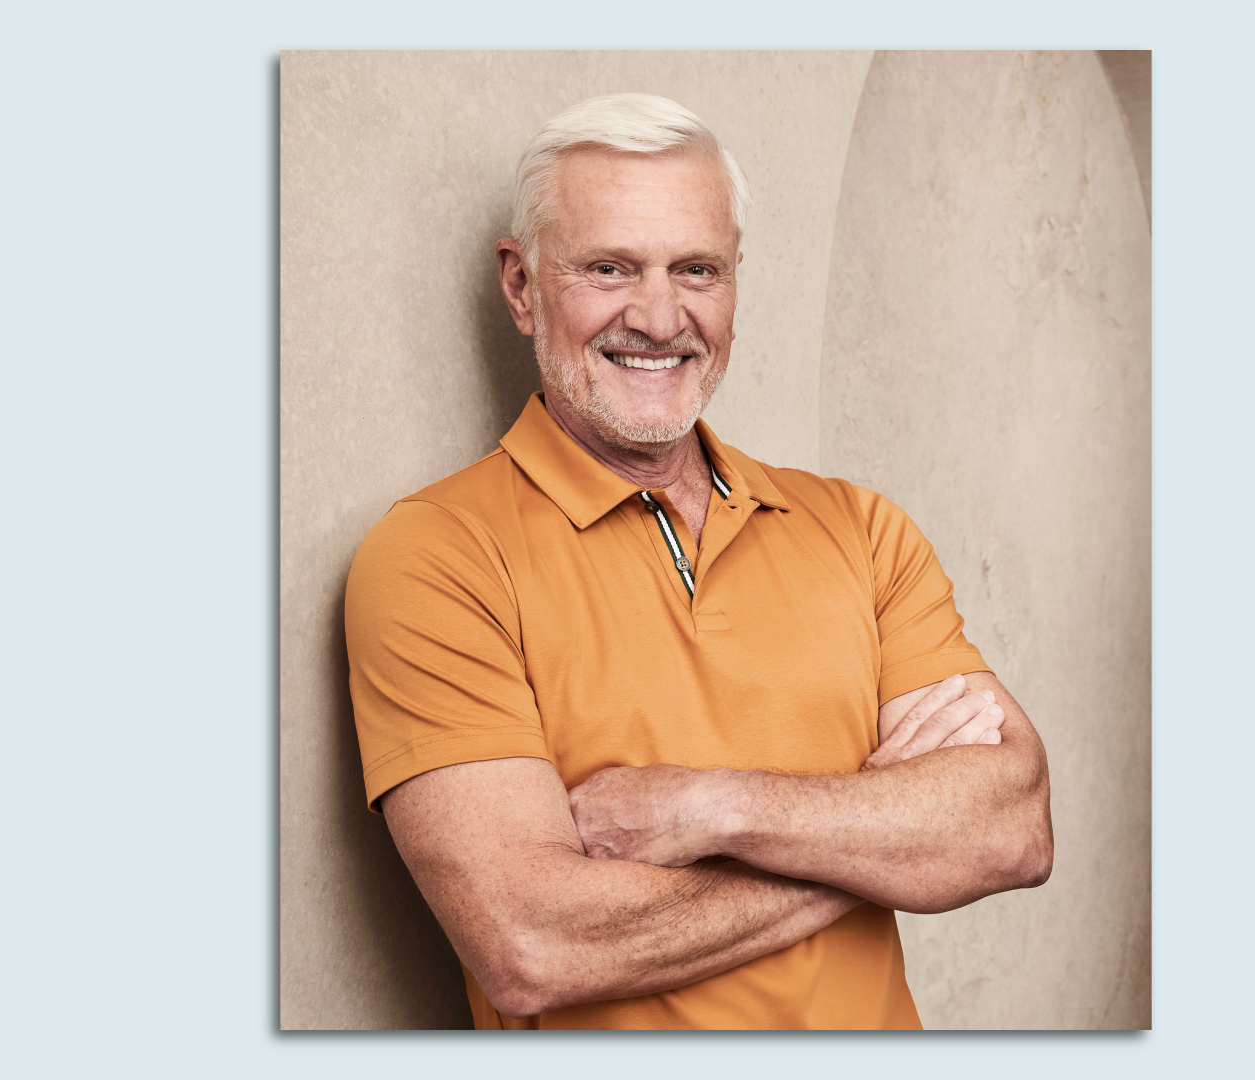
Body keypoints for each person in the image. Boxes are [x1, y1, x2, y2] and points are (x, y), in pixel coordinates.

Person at [344, 93, 1053, 1030]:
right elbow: (534, 945)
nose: (659, 314)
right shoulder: (438, 556)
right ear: (521, 287)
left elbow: (1012, 827)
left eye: (696, 269)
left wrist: (714, 810)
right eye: (609, 267)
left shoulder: (859, 528)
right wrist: (882, 837)